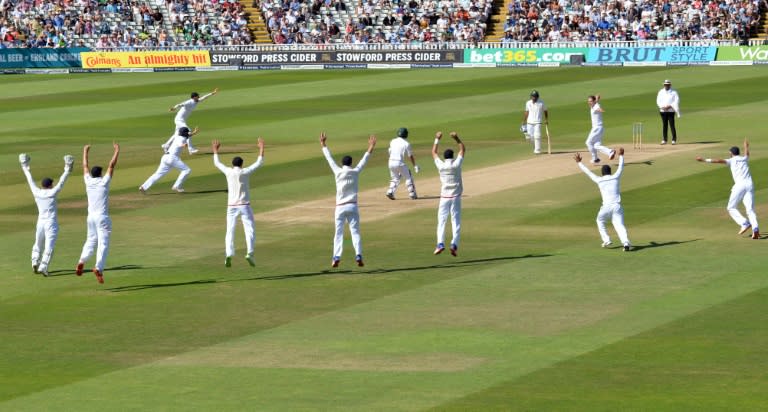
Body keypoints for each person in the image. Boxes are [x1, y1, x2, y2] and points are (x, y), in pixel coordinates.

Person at [319, 132, 376, 268]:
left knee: (338, 233)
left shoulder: (338, 172)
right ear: (351, 163)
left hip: (340, 207)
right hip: (352, 206)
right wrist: (371, 146)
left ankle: (336, 257)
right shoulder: (355, 172)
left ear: (342, 163)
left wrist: (323, 144)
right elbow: (364, 160)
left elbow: (329, 158)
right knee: (355, 232)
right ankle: (358, 254)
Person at [211, 137, 265, 267]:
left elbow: (217, 163)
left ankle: (229, 253)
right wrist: (261, 147)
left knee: (230, 230)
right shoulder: (245, 172)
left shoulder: (228, 172)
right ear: (241, 164)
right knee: (250, 229)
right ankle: (250, 253)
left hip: (231, 206)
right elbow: (259, 162)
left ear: (232, 164)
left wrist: (215, 151)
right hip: (244, 205)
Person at [19, 153, 74, 276]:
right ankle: (43, 267)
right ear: (50, 185)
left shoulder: (36, 192)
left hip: (40, 222)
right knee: (49, 246)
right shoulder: (53, 192)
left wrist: (24, 165)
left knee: (38, 243)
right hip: (51, 223)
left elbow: (30, 179)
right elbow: (61, 182)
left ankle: (35, 261)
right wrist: (67, 168)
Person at [696, 138, 760, 239]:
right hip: (750, 185)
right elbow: (747, 153)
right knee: (750, 209)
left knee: (731, 207)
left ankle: (744, 223)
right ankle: (755, 228)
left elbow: (717, 161)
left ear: (731, 153)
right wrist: (746, 146)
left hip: (740, 186)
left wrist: (704, 160)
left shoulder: (731, 160)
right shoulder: (744, 159)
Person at [76, 142, 120, 284]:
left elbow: (84, 166)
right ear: (100, 174)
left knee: (90, 240)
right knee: (103, 243)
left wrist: (85, 151)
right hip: (102, 218)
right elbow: (111, 166)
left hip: (90, 218)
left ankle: (82, 260)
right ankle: (98, 267)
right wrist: (117, 150)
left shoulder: (88, 181)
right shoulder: (104, 182)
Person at [574, 147, 631, 251]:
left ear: (602, 173)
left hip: (606, 207)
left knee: (600, 220)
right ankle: (626, 243)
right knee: (620, 226)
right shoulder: (615, 177)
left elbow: (588, 172)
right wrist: (621, 155)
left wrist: (579, 163)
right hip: (617, 206)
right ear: (610, 171)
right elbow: (621, 167)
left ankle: (606, 240)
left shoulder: (599, 180)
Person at [432, 131, 465, 256]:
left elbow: (434, 153)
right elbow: (463, 149)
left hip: (444, 197)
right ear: (452, 156)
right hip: (456, 197)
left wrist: (437, 138)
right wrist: (456, 138)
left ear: (445, 157)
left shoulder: (441, 165)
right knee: (455, 221)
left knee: (442, 221)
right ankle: (454, 244)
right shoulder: (457, 164)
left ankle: (440, 244)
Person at [139, 126, 199, 194]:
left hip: (165, 157)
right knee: (187, 170)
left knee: (158, 174)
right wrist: (183, 145)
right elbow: (181, 143)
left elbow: (187, 135)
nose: (188, 133)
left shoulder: (178, 136)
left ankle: (143, 187)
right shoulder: (182, 139)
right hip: (172, 158)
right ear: (185, 133)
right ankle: (176, 186)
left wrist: (194, 132)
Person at [167, 88, 218, 153]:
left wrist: (213, 93)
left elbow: (204, 97)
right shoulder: (189, 102)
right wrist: (174, 108)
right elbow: (180, 104)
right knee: (188, 131)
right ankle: (191, 149)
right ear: (194, 97)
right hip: (179, 120)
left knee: (176, 134)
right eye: (197, 96)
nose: (199, 97)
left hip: (182, 120)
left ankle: (166, 145)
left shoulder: (196, 101)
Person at [386, 127, 419, 200]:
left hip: (390, 162)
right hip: (399, 163)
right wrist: (415, 166)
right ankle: (412, 194)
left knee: (395, 178)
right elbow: (410, 156)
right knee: (408, 176)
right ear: (406, 135)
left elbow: (389, 151)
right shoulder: (407, 144)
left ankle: (390, 191)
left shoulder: (392, 141)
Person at [584, 94, 616, 164]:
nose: (589, 102)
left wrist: (600, 110)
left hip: (596, 129)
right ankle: (609, 152)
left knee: (588, 142)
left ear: (593, 101)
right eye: (588, 101)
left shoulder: (596, 106)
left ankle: (595, 158)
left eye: (590, 101)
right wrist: (597, 99)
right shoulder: (595, 104)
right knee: (596, 146)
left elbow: (598, 108)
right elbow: (596, 100)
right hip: (599, 129)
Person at [521, 90, 548, 154]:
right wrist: (524, 120)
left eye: (535, 97)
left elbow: (545, 111)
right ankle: (535, 147)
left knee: (537, 135)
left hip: (538, 122)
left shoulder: (541, 103)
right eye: (533, 96)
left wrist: (546, 119)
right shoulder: (528, 103)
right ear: (531, 97)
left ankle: (538, 150)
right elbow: (527, 112)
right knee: (530, 137)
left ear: (537, 97)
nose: (534, 98)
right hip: (529, 122)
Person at [656, 79, 680, 145]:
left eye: (668, 85)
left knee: (672, 125)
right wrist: (662, 107)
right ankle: (664, 139)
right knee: (664, 125)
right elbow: (658, 101)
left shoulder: (674, 92)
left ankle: (674, 139)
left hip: (671, 111)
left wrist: (670, 106)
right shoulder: (661, 92)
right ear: (664, 85)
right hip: (663, 111)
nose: (666, 86)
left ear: (670, 85)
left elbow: (676, 101)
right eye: (665, 85)